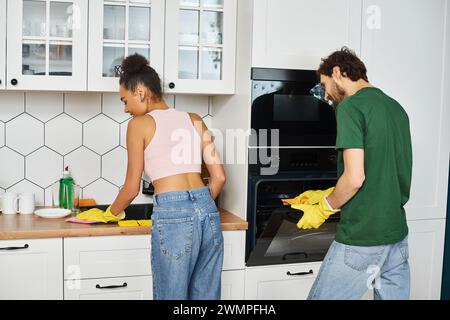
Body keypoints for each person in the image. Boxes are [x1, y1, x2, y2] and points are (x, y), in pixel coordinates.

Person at [293, 47, 413, 300]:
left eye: (325, 84)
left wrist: (325, 206)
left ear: (337, 72)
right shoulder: (395, 108)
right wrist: (331, 190)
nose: (325, 94)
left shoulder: (350, 107)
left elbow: (356, 178)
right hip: (396, 234)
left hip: (363, 236)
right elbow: (383, 169)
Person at [107, 53, 226, 300]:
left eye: (124, 100)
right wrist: (199, 205)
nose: (125, 108)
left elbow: (131, 189)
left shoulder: (139, 124)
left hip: (173, 215)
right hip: (208, 210)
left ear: (139, 91)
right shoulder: (194, 119)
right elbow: (219, 178)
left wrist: (107, 215)